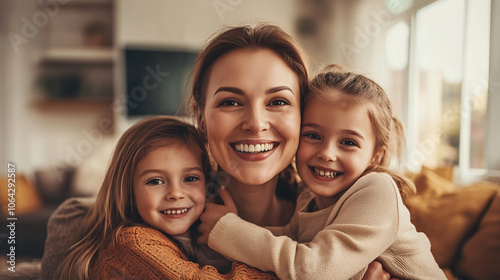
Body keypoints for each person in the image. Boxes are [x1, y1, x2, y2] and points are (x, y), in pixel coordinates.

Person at [42, 23, 391, 280]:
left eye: (279, 101)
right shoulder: (92, 224)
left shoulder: (343, 218)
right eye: (230, 101)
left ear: (304, 116)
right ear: (201, 117)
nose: (256, 123)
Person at [197, 65, 447, 279]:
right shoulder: (307, 197)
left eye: (348, 142)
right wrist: (227, 229)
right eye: (313, 135)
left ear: (375, 155)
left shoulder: (376, 191)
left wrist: (228, 230)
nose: (327, 153)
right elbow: (292, 241)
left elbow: (310, 270)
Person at [58, 116, 277, 279]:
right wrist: (237, 236)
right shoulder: (132, 243)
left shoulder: (193, 235)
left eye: (190, 178)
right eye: (155, 181)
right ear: (128, 191)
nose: (175, 194)